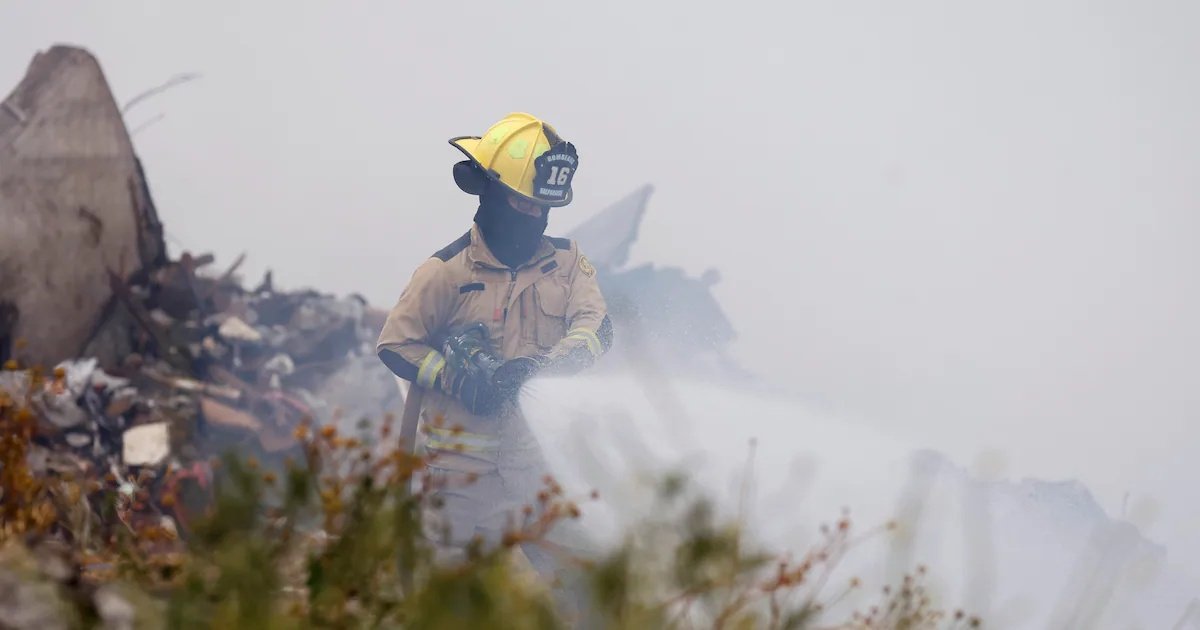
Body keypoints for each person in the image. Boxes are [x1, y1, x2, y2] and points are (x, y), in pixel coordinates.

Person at [375, 112, 614, 588]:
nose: (532, 218)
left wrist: (550, 366)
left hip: (538, 470)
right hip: (462, 483)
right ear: (488, 192)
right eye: (521, 204)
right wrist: (456, 376)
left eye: (541, 209)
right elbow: (396, 343)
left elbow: (596, 326)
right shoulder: (445, 272)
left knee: (595, 596)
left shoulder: (566, 263)